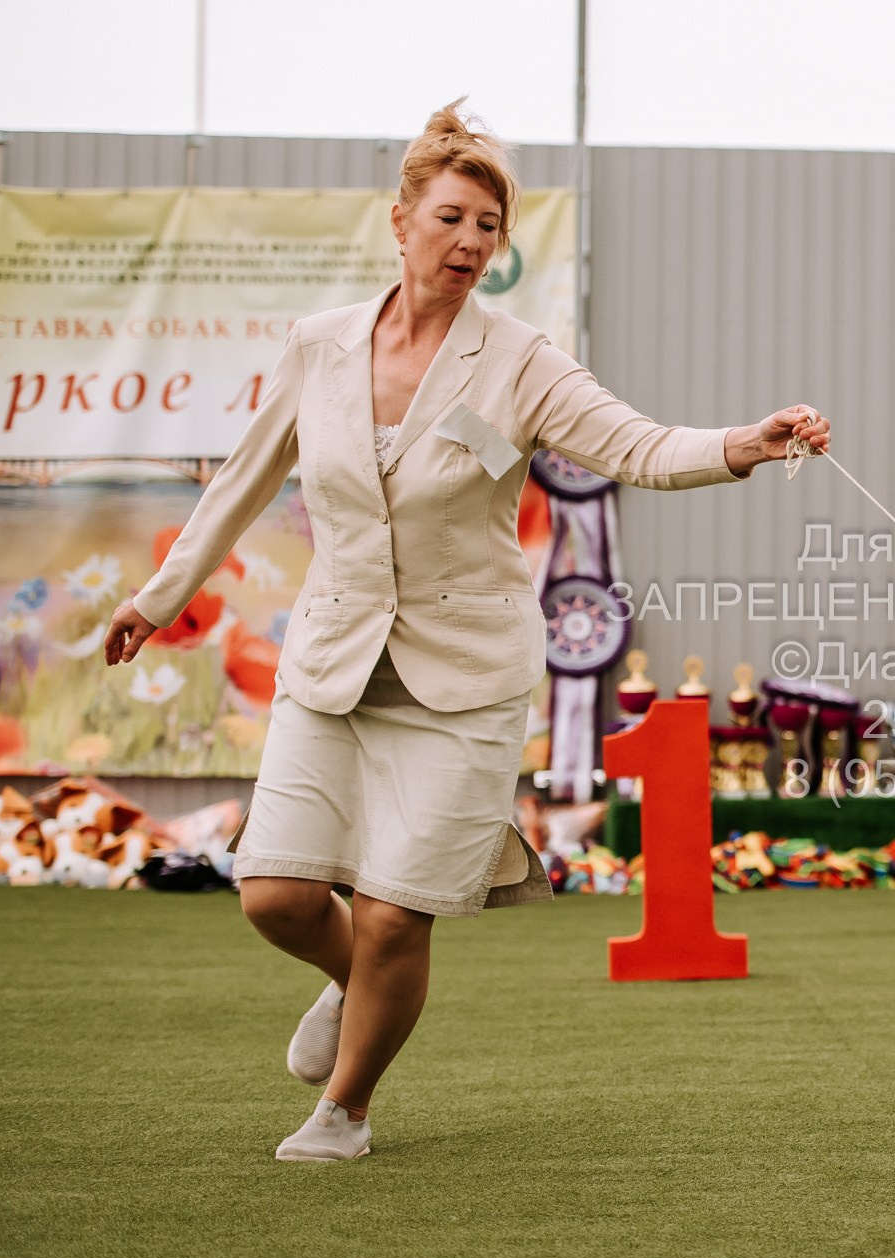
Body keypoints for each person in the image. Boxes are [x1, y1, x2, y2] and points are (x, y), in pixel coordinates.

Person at [102, 99, 830, 1162]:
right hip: (336, 661)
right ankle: (354, 985)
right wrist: (156, 597)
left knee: (398, 912)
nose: (469, 243)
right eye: (449, 218)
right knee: (276, 895)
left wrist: (748, 441)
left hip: (468, 675)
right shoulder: (318, 347)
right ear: (397, 222)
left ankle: (343, 1108)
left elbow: (636, 446)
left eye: (488, 228)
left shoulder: (519, 361)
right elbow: (241, 482)